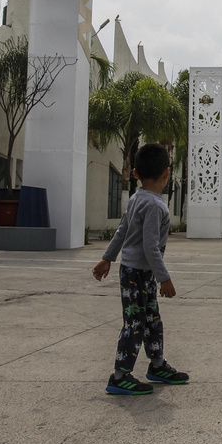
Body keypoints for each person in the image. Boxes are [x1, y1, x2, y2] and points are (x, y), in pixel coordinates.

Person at [93, 143, 189, 395]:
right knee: (135, 322)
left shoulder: (137, 198)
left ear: (135, 173)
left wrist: (107, 258)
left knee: (151, 319)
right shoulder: (155, 205)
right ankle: (119, 375)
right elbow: (150, 247)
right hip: (138, 273)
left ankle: (157, 365)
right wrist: (165, 278)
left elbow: (122, 231)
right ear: (167, 173)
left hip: (136, 272)